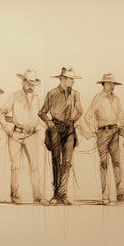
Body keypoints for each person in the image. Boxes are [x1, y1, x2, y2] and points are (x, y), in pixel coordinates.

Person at [84, 73, 124, 204]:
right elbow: (88, 116)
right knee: (104, 163)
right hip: (103, 132)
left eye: (113, 84)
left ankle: (120, 193)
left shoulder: (116, 98)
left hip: (115, 131)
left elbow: (121, 115)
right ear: (104, 84)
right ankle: (105, 194)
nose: (112, 86)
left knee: (117, 162)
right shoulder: (98, 98)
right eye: (109, 84)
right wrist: (94, 129)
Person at [39, 67, 83, 205]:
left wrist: (72, 120)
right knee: (56, 161)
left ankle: (62, 194)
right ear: (63, 79)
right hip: (55, 129)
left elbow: (80, 111)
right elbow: (42, 112)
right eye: (71, 79)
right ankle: (56, 194)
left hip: (69, 130)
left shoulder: (75, 94)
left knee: (67, 163)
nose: (73, 82)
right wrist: (49, 122)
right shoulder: (52, 93)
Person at [2, 70, 44, 204]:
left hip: (31, 135)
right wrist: (8, 128)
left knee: (35, 166)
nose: (31, 86)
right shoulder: (14, 96)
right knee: (15, 166)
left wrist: (40, 130)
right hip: (16, 135)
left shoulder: (36, 97)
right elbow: (1, 112)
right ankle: (14, 196)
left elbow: (38, 115)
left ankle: (37, 197)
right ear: (23, 82)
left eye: (33, 84)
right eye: (29, 83)